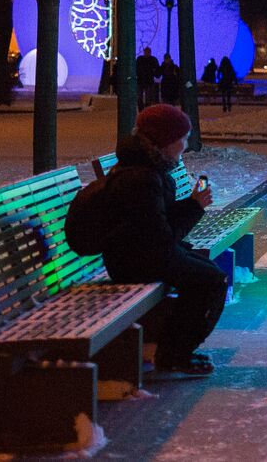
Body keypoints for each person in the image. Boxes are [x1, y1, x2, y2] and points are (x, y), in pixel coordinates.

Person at [100, 104, 225, 376]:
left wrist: (192, 204)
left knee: (208, 272)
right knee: (211, 281)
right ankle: (174, 355)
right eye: (182, 139)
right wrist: (193, 208)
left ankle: (175, 351)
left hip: (138, 254)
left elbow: (157, 225)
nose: (185, 145)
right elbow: (160, 239)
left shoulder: (146, 169)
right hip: (134, 262)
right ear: (166, 141)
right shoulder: (140, 179)